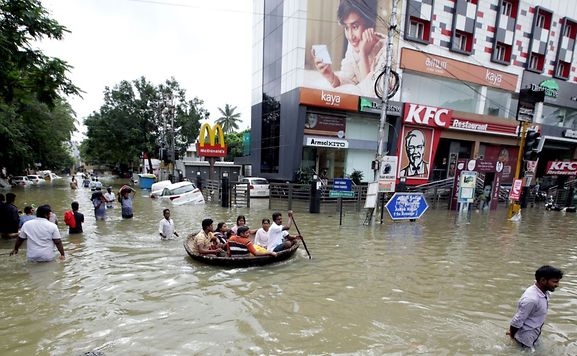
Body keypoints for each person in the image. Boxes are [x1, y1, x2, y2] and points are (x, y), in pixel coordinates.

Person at [311, 0, 384, 95]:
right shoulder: (354, 45)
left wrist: (363, 54)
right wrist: (331, 76)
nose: (350, 36)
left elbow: (369, 96)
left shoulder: (387, 51)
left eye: (355, 27)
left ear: (370, 25)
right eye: (346, 27)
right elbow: (347, 79)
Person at [508, 265, 564, 349]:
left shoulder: (544, 292)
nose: (557, 285)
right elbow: (517, 320)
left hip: (534, 334)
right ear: (543, 280)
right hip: (525, 339)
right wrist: (512, 336)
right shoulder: (531, 299)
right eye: (555, 282)